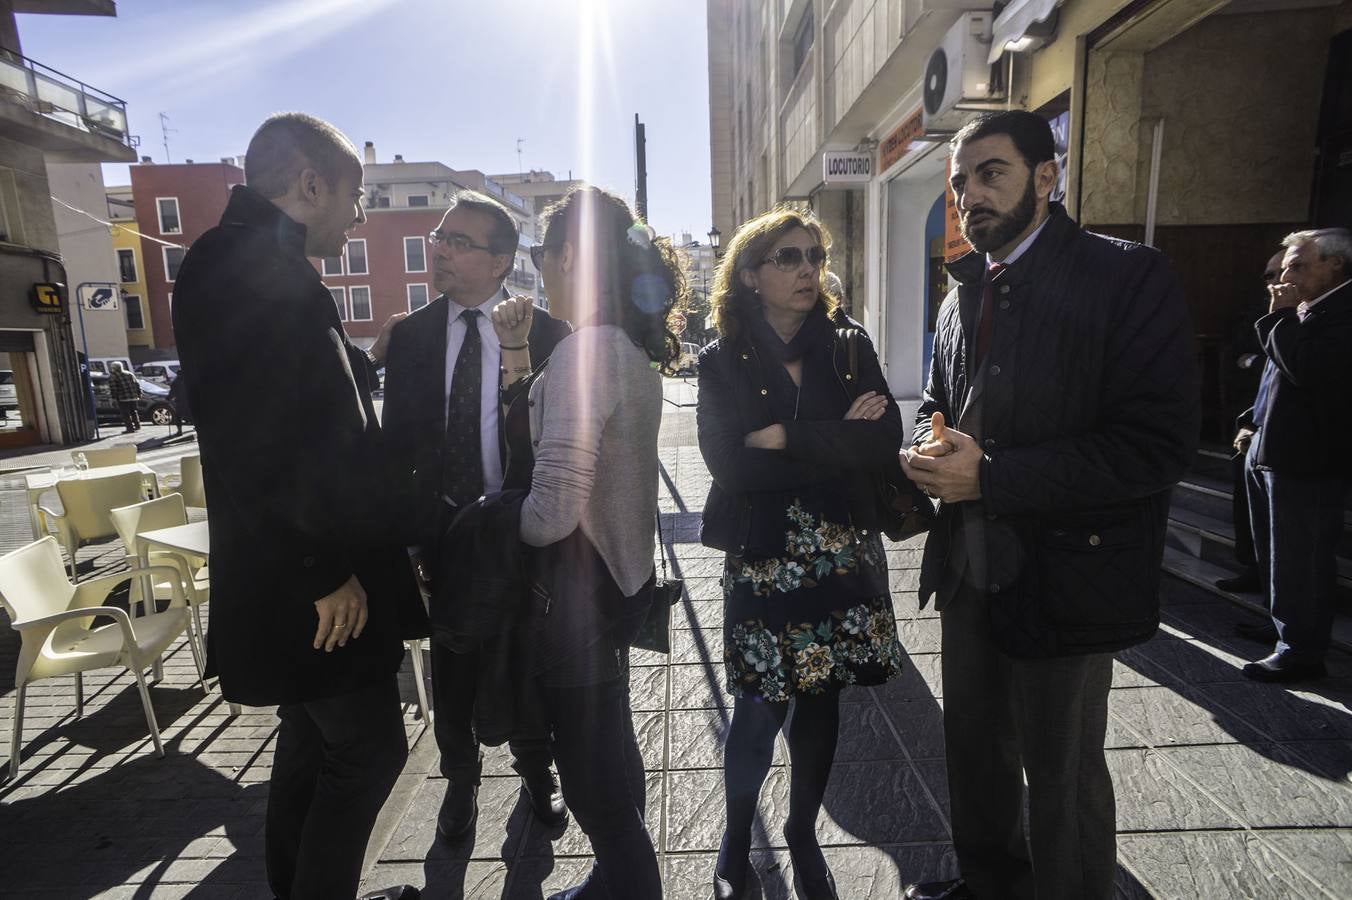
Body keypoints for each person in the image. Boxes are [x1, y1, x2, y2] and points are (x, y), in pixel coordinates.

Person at [898, 111, 1198, 900]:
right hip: (969, 566)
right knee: (974, 748)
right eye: (960, 183)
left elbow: (1155, 447)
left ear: (1046, 176)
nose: (970, 196)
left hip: (1069, 574)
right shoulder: (963, 292)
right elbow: (941, 398)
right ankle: (991, 882)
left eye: (990, 173)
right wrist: (929, 447)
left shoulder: (1126, 276)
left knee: (1059, 769)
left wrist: (991, 476)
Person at [171, 112, 426, 900]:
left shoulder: (256, 261)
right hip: (313, 581)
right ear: (310, 184)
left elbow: (300, 403)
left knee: (315, 745)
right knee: (369, 752)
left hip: (310, 572)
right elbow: (260, 440)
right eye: (354, 196)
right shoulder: (246, 266)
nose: (358, 216)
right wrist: (322, 570)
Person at [697, 208, 906, 900]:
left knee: (821, 705)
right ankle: (735, 835)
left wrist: (785, 438)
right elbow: (730, 467)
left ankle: (802, 829)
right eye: (788, 257)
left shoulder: (849, 346)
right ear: (752, 275)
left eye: (814, 256)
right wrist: (831, 439)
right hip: (762, 557)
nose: (807, 270)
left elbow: (881, 443)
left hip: (840, 554)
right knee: (759, 707)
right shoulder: (721, 359)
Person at [510, 185, 683, 899]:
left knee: (594, 786)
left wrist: (487, 529)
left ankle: (628, 884)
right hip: (615, 585)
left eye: (540, 256)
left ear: (571, 256)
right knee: (613, 754)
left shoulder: (587, 352)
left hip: (574, 598)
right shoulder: (626, 346)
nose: (539, 272)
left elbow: (551, 510)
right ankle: (616, 878)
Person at [381, 189, 571, 840]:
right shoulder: (409, 338)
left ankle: (535, 771)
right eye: (440, 236)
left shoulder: (547, 336)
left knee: (525, 661)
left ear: (499, 262)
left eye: (458, 241)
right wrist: (409, 546)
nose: (440, 249)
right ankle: (458, 783)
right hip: (442, 537)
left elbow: (558, 447)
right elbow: (398, 448)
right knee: (453, 669)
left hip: (520, 534)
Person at [1238, 227, 1352, 683]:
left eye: (1299, 265)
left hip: (1307, 459)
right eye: (1286, 264)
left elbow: (1307, 369)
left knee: (1301, 558)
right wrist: (1252, 419)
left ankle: (1302, 650)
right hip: (1271, 446)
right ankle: (1280, 624)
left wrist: (1280, 319)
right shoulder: (1305, 311)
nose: (1286, 274)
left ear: (1335, 265)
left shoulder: (1340, 315)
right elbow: (1276, 375)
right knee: (1275, 551)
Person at [1217, 251, 1285, 596]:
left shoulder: (1311, 319)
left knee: (1288, 533)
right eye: (1270, 275)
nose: (1275, 281)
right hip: (1255, 429)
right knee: (1249, 510)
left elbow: (1285, 366)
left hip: (1294, 446)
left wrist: (1254, 360)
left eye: (1286, 271)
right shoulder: (1261, 312)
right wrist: (1249, 421)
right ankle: (1255, 568)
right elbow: (1239, 357)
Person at [108, 361, 141, 433]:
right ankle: (137, 426)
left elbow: (114, 389)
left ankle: (130, 428)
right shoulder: (129, 374)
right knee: (134, 411)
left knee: (125, 413)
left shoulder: (113, 376)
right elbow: (137, 384)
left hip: (123, 398)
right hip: (133, 396)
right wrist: (139, 393)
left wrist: (114, 398)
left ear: (114, 368)